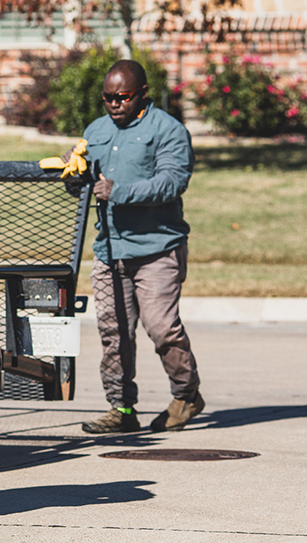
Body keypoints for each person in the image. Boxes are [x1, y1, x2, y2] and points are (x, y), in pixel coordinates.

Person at [72, 59, 204, 434]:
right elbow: (87, 185)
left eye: (123, 97)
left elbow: (173, 181)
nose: (114, 104)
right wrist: (73, 173)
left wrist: (120, 191)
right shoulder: (96, 130)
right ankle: (122, 411)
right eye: (107, 98)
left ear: (143, 94)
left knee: (162, 328)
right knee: (114, 333)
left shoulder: (168, 130)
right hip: (110, 250)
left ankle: (187, 395)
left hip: (157, 248)